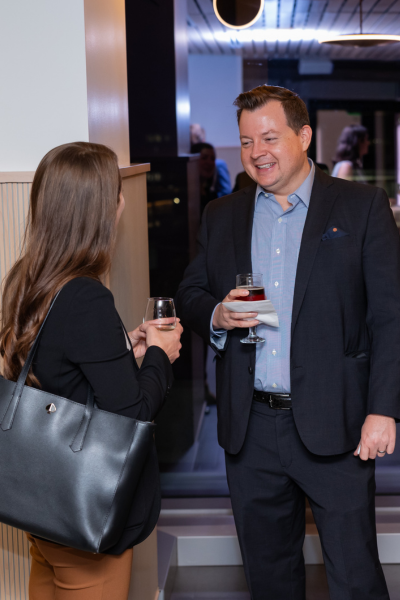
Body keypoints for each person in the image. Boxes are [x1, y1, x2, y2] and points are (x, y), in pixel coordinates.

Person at [176, 85, 400, 599]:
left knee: (356, 576)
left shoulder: (361, 207)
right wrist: (217, 313)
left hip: (338, 424)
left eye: (270, 137)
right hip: (250, 428)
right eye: (247, 141)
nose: (257, 153)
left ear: (303, 137)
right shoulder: (223, 214)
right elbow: (189, 291)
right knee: (270, 579)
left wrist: (382, 409)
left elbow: (390, 316)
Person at [0, 142, 183, 600]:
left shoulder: (27, 278)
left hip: (42, 512)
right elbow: (131, 416)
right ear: (98, 208)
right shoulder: (85, 297)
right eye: (115, 191)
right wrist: (160, 354)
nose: (122, 201)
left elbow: (62, 377)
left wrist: (129, 355)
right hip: (85, 516)